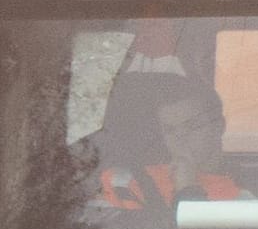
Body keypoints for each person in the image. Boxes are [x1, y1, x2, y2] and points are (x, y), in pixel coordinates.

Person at [99, 78, 242, 214]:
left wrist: (187, 188)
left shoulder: (246, 194)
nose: (180, 138)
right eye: (170, 130)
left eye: (192, 126)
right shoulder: (122, 181)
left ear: (219, 126)